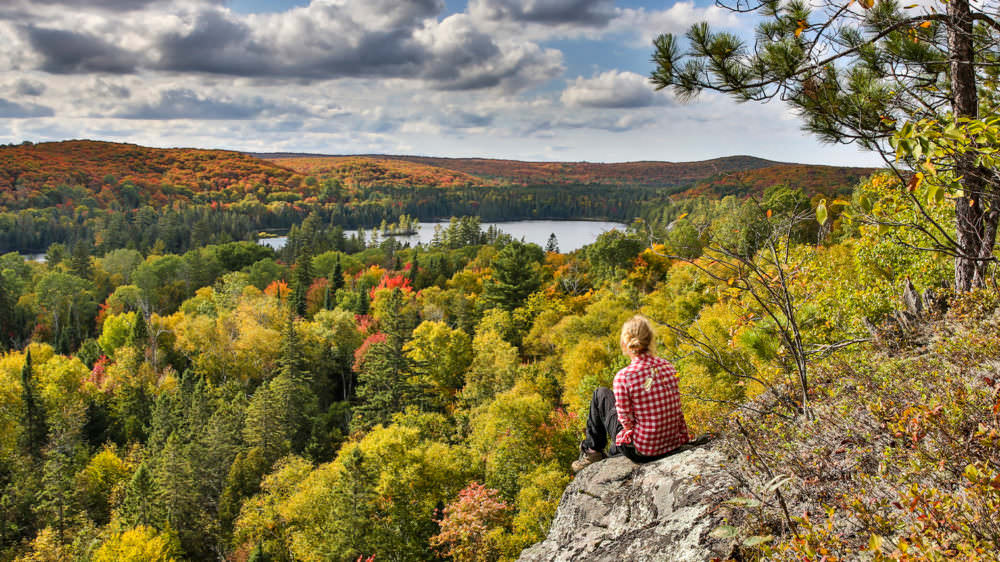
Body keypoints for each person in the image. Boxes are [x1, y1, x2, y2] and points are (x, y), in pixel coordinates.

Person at [571, 315, 689, 472]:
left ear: (625, 343)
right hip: (673, 443)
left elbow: (626, 422)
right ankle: (607, 452)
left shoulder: (624, 377)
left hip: (643, 451)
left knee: (601, 394)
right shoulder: (668, 367)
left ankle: (592, 451)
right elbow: (676, 409)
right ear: (651, 339)